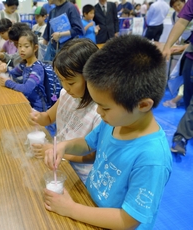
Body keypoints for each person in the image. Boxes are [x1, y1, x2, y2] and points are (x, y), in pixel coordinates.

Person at [44, 35, 172, 229]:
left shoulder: (152, 158)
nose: (97, 111)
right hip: (90, 206)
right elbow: (88, 144)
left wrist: (71, 209)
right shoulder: (115, 121)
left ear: (143, 105)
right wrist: (65, 146)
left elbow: (127, 220)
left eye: (105, 107)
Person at [28, 38, 101, 183]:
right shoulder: (67, 94)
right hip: (58, 160)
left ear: (91, 77)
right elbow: (48, 117)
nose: (66, 87)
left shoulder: (100, 111)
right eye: (61, 80)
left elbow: (91, 156)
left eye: (71, 82)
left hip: (80, 175)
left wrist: (57, 152)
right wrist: (39, 117)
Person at [163, 0, 193, 155]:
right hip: (190, 57)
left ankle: (180, 137)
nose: (177, 9)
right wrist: (168, 46)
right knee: (188, 99)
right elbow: (181, 23)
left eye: (178, 6)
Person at [0, 30, 48, 112]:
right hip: (27, 103)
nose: (22, 49)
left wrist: (7, 82)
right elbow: (12, 75)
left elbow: (26, 89)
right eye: (19, 46)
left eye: (26, 46)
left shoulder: (37, 68)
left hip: (38, 110)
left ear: (35, 48)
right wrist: (5, 69)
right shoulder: (24, 65)